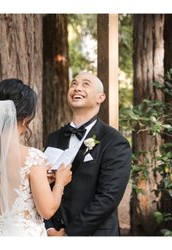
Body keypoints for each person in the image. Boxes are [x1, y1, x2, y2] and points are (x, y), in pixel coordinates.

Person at [0, 79, 72, 236]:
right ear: (25, 118)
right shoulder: (33, 157)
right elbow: (47, 210)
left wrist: (40, 179)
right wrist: (60, 183)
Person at [45, 72, 132, 236]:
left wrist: (68, 235)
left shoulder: (115, 142)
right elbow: (43, 185)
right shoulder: (54, 138)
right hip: (52, 234)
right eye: (73, 83)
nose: (77, 88)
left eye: (85, 84)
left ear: (101, 97)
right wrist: (49, 228)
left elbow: (107, 198)